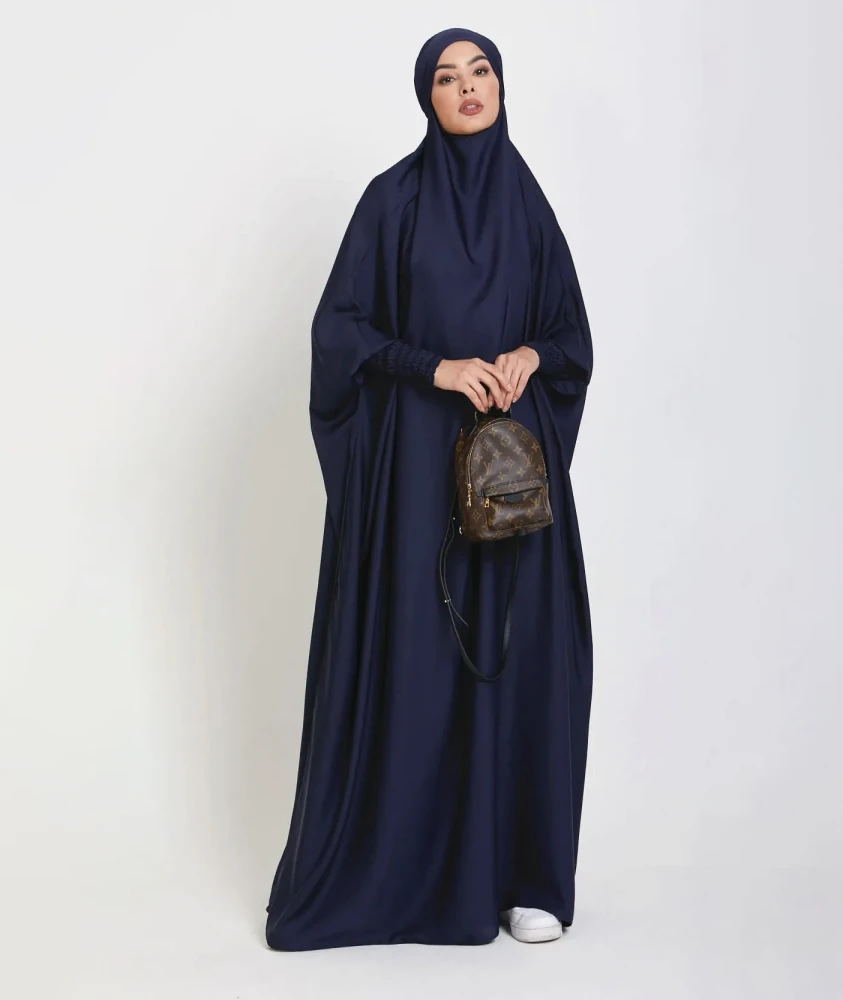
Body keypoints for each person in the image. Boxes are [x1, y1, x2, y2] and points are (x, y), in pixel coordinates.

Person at [265, 27, 593, 951]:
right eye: (446, 79)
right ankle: (410, 875)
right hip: (416, 468)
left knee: (524, 652)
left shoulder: (528, 206)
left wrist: (529, 356)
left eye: (480, 72)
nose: (467, 88)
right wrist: (435, 368)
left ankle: (524, 878)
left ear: (500, 85)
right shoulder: (392, 200)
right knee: (423, 654)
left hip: (512, 476)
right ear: (427, 99)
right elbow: (339, 330)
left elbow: (572, 335)